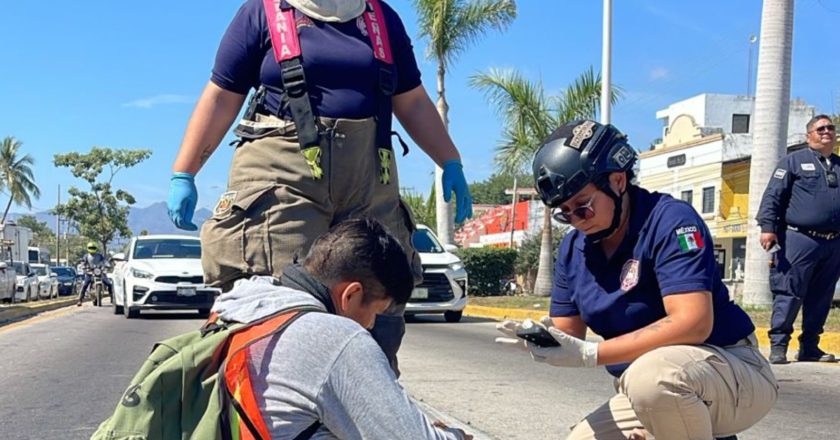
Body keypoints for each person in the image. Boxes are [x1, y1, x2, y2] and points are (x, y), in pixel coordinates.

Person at [166, 0, 472, 372]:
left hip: (368, 174)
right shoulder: (260, 13)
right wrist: (185, 172)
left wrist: (450, 160)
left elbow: (412, 101)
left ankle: (368, 392)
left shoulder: (381, 18)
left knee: (380, 300)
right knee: (280, 300)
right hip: (282, 171)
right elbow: (220, 97)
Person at [496, 120, 778, 440]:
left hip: (730, 371)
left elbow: (693, 322)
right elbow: (568, 334)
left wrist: (592, 354)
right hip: (648, 391)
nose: (576, 220)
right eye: (565, 213)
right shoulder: (573, 249)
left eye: (583, 207)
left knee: (653, 379)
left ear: (617, 181)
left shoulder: (670, 221)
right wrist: (542, 339)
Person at [211, 218, 472, 439]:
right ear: (351, 295)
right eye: (376, 313)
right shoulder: (333, 339)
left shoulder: (239, 309)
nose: (371, 324)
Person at [756, 114, 840, 364]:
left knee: (822, 297)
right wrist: (768, 227)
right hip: (799, 239)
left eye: (830, 128)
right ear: (809, 136)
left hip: (833, 243)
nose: (826, 132)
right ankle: (779, 345)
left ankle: (810, 347)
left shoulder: (838, 165)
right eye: (820, 129)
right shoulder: (793, 161)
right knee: (789, 292)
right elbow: (773, 195)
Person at [77, 241, 113, 306]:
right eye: (90, 248)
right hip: (90, 273)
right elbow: (83, 262)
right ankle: (80, 300)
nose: (92, 249)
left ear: (96, 248)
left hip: (100, 272)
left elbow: (105, 261)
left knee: (109, 284)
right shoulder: (86, 256)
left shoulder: (100, 255)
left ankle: (112, 298)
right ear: (88, 248)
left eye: (93, 248)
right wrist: (83, 267)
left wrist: (108, 265)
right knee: (85, 285)